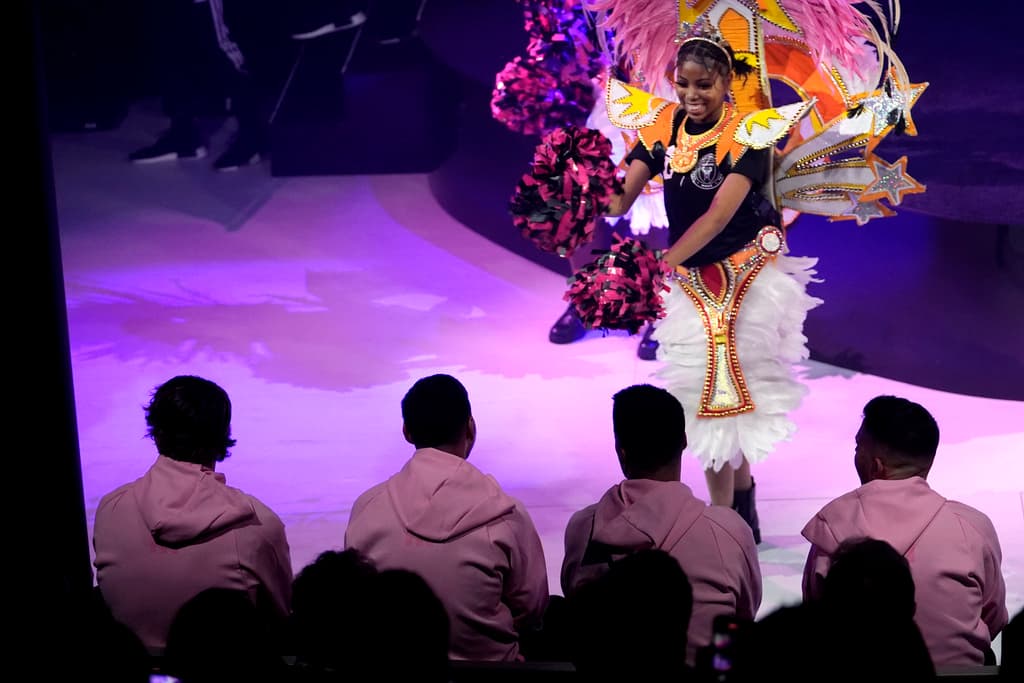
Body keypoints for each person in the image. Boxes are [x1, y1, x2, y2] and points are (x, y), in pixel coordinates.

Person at [598, 22, 822, 539]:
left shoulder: (749, 134)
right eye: (683, 84)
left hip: (745, 277)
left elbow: (718, 217)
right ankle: (741, 515)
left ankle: (724, 528)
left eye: (704, 85)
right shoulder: (662, 128)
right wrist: (579, 180)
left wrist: (662, 265)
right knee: (715, 401)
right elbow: (618, 200)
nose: (692, 95)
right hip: (690, 279)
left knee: (719, 402)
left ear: (726, 84)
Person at [344, 374, 549, 661]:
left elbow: (356, 601)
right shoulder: (507, 515)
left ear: (407, 432)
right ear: (470, 428)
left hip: (390, 677)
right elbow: (531, 609)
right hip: (495, 680)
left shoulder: (367, 507)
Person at [801, 395, 1009, 666]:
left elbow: (814, 619)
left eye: (857, 447)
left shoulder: (833, 527)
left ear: (875, 465)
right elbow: (993, 617)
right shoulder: (972, 526)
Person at [561, 384, 760, 665]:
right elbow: (744, 615)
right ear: (684, 441)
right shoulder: (730, 531)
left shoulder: (582, 530)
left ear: (621, 450)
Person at [93, 375, 293, 654]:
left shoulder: (110, 509)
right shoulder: (257, 524)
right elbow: (282, 623)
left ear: (156, 432)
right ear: (223, 433)